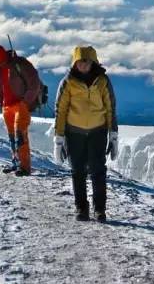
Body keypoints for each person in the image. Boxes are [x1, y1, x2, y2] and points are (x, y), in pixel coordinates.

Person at [53, 46, 119, 222]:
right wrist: (59, 139)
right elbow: (60, 110)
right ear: (74, 62)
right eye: (80, 61)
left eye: (87, 61)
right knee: (78, 171)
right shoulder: (67, 82)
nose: (83, 64)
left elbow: (110, 107)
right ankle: (81, 208)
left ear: (93, 62)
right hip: (74, 133)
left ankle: (100, 209)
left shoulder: (102, 81)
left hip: (98, 131)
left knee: (98, 171)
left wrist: (113, 134)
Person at [0, 44, 41, 176]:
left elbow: (34, 83)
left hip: (20, 105)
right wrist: (0, 101)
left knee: (20, 135)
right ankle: (16, 163)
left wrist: (26, 102)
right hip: (7, 106)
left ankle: (25, 167)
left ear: (3, 55)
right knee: (12, 137)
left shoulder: (20, 64)